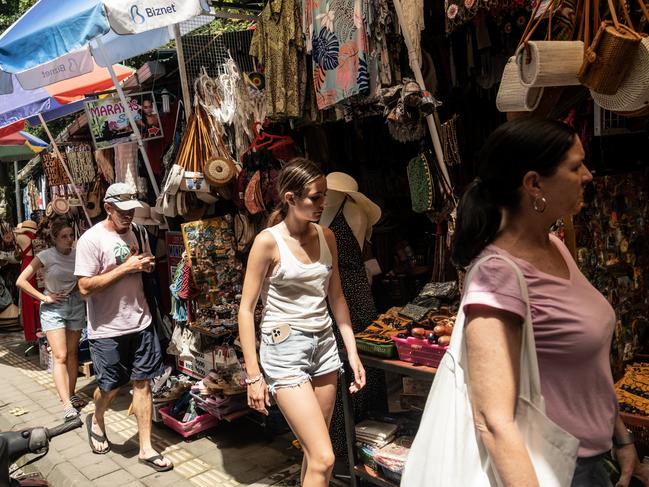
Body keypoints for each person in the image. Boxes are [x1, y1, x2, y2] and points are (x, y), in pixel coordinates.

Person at [450, 118, 649, 487]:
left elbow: (583, 369)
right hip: (553, 470)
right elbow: (493, 422)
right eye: (575, 167)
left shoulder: (553, 246)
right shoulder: (497, 276)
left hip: (592, 459)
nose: (588, 175)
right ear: (534, 184)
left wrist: (621, 437)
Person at [238, 158, 366, 487]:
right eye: (315, 197)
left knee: (314, 452)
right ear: (291, 198)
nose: (323, 203)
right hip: (284, 350)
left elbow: (336, 297)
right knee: (325, 457)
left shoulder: (327, 236)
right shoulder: (268, 242)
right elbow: (246, 308)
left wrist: (351, 351)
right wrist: (253, 375)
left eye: (324, 196)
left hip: (324, 345)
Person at [74, 182, 172, 472]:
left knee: (142, 383)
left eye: (132, 210)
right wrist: (125, 268)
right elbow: (84, 287)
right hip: (107, 329)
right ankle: (97, 416)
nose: (129, 216)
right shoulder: (90, 240)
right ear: (108, 208)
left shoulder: (139, 231)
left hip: (141, 322)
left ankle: (145, 448)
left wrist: (146, 264)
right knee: (110, 386)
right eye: (123, 211)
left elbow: (142, 267)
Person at [16, 217, 86, 421]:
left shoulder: (78, 255)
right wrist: (44, 297)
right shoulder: (46, 255)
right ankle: (66, 405)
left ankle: (71, 395)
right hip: (53, 308)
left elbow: (84, 277)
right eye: (64, 236)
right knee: (60, 356)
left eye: (71, 235)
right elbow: (21, 281)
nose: (69, 240)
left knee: (73, 354)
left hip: (75, 304)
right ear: (54, 238)